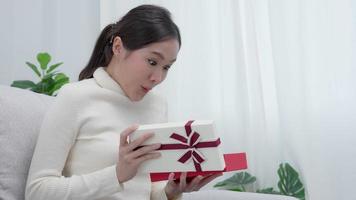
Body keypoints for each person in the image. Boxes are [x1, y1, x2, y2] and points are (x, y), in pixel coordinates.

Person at [25, 4, 221, 200]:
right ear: (118, 47)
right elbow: (37, 191)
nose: (158, 78)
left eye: (167, 67)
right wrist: (117, 175)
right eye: (152, 62)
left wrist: (171, 191)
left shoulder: (157, 105)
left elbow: (151, 192)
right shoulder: (74, 98)